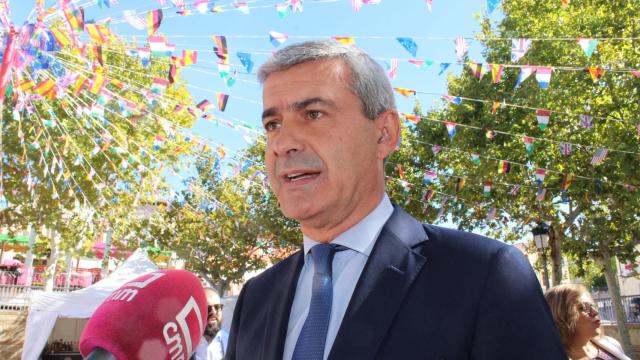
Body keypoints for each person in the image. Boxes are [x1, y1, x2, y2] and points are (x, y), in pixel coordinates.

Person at [226, 40, 566, 359]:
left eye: (313, 114)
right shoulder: (255, 299)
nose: (282, 143)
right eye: (273, 124)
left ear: (384, 133)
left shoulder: (485, 276)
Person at [545, 284, 631, 360]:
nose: (595, 312)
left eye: (592, 306)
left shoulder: (611, 344)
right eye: (583, 308)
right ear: (561, 316)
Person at [192, 288, 229, 360]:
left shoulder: (230, 342)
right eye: (208, 308)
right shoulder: (185, 347)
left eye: (217, 307)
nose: (214, 312)